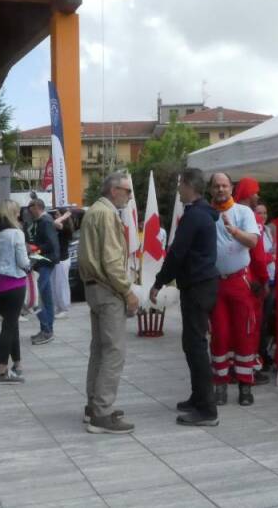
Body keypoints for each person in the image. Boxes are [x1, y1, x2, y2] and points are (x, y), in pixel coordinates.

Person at [151, 168, 219, 426]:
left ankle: (207, 410)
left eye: (181, 184)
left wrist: (158, 282)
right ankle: (198, 397)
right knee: (191, 344)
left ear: (190, 186)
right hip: (202, 284)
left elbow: (177, 253)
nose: (178, 189)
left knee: (196, 346)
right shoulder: (200, 213)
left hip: (198, 286)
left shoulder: (194, 217)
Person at [79, 173, 140, 434]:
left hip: (94, 288)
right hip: (107, 289)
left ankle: (94, 406)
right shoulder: (106, 214)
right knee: (114, 351)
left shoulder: (95, 211)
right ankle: (101, 413)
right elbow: (112, 262)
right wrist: (128, 292)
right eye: (127, 190)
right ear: (114, 190)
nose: (129, 195)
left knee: (101, 350)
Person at [208, 172, 260, 406]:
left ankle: (245, 386)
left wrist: (234, 231)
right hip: (215, 283)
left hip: (240, 281)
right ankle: (219, 385)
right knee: (220, 335)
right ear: (211, 190)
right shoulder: (205, 214)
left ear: (231, 188)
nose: (221, 189)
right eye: (216, 186)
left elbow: (253, 242)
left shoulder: (243, 212)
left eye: (224, 185)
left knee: (244, 333)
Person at [232, 177, 272, 385]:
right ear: (248, 194)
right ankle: (249, 370)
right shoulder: (251, 219)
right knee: (250, 327)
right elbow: (257, 256)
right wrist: (265, 280)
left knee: (230, 327)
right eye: (255, 192)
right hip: (251, 282)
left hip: (230, 279)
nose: (258, 196)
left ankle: (230, 367)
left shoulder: (228, 213)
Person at [0, 200, 31, 384]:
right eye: (18, 212)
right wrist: (31, 264)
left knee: (10, 324)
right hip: (14, 282)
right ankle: (2, 371)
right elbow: (22, 261)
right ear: (12, 214)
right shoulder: (16, 234)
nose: (20, 215)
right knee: (9, 326)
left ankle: (18, 364)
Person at [28, 198, 60, 345]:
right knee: (46, 298)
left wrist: (35, 248)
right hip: (45, 262)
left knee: (37, 297)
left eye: (31, 207)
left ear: (38, 207)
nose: (29, 210)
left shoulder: (45, 222)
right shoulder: (43, 221)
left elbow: (50, 244)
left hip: (45, 262)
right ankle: (47, 330)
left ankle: (46, 330)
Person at [255, 201, 277, 373]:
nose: (263, 215)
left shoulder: (268, 230)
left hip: (272, 278)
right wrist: (272, 256)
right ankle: (260, 353)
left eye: (265, 212)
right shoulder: (255, 230)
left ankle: (264, 352)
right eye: (259, 212)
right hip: (262, 281)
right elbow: (259, 257)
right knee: (261, 321)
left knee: (268, 320)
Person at [51, 207, 76, 319]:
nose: (56, 216)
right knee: (55, 285)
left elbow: (56, 222)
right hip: (56, 259)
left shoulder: (65, 227)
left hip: (63, 259)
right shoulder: (58, 227)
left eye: (57, 214)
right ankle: (59, 307)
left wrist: (65, 215)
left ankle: (64, 308)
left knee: (62, 285)